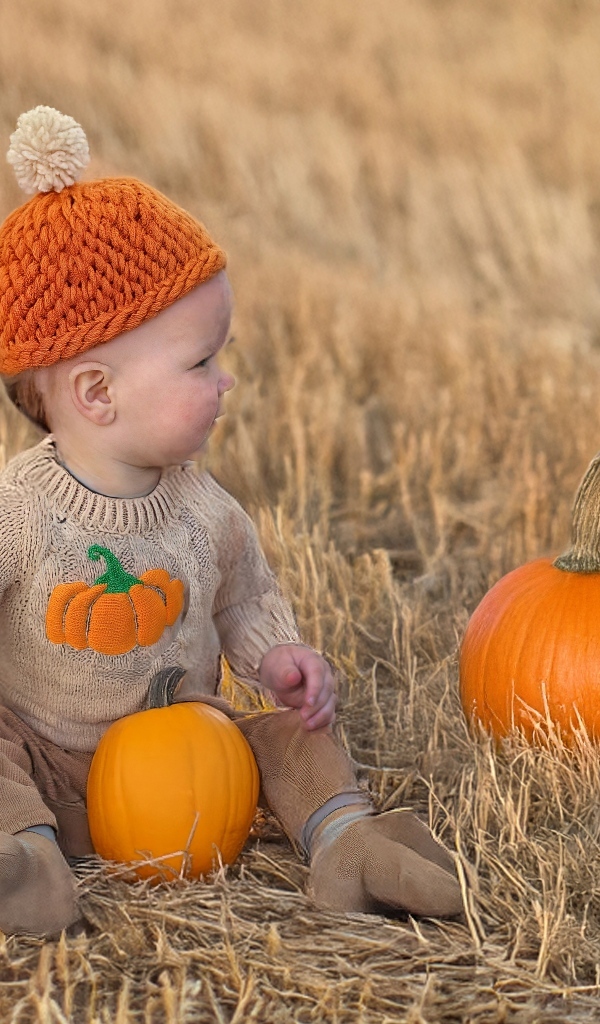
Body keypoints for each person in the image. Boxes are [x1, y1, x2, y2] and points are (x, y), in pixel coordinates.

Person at [0, 106, 462, 936]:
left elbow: (244, 596)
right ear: (97, 394)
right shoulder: (21, 509)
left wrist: (278, 657)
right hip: (43, 755)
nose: (227, 381)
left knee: (293, 736)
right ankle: (24, 861)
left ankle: (349, 842)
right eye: (202, 361)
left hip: (187, 763)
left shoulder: (203, 508)